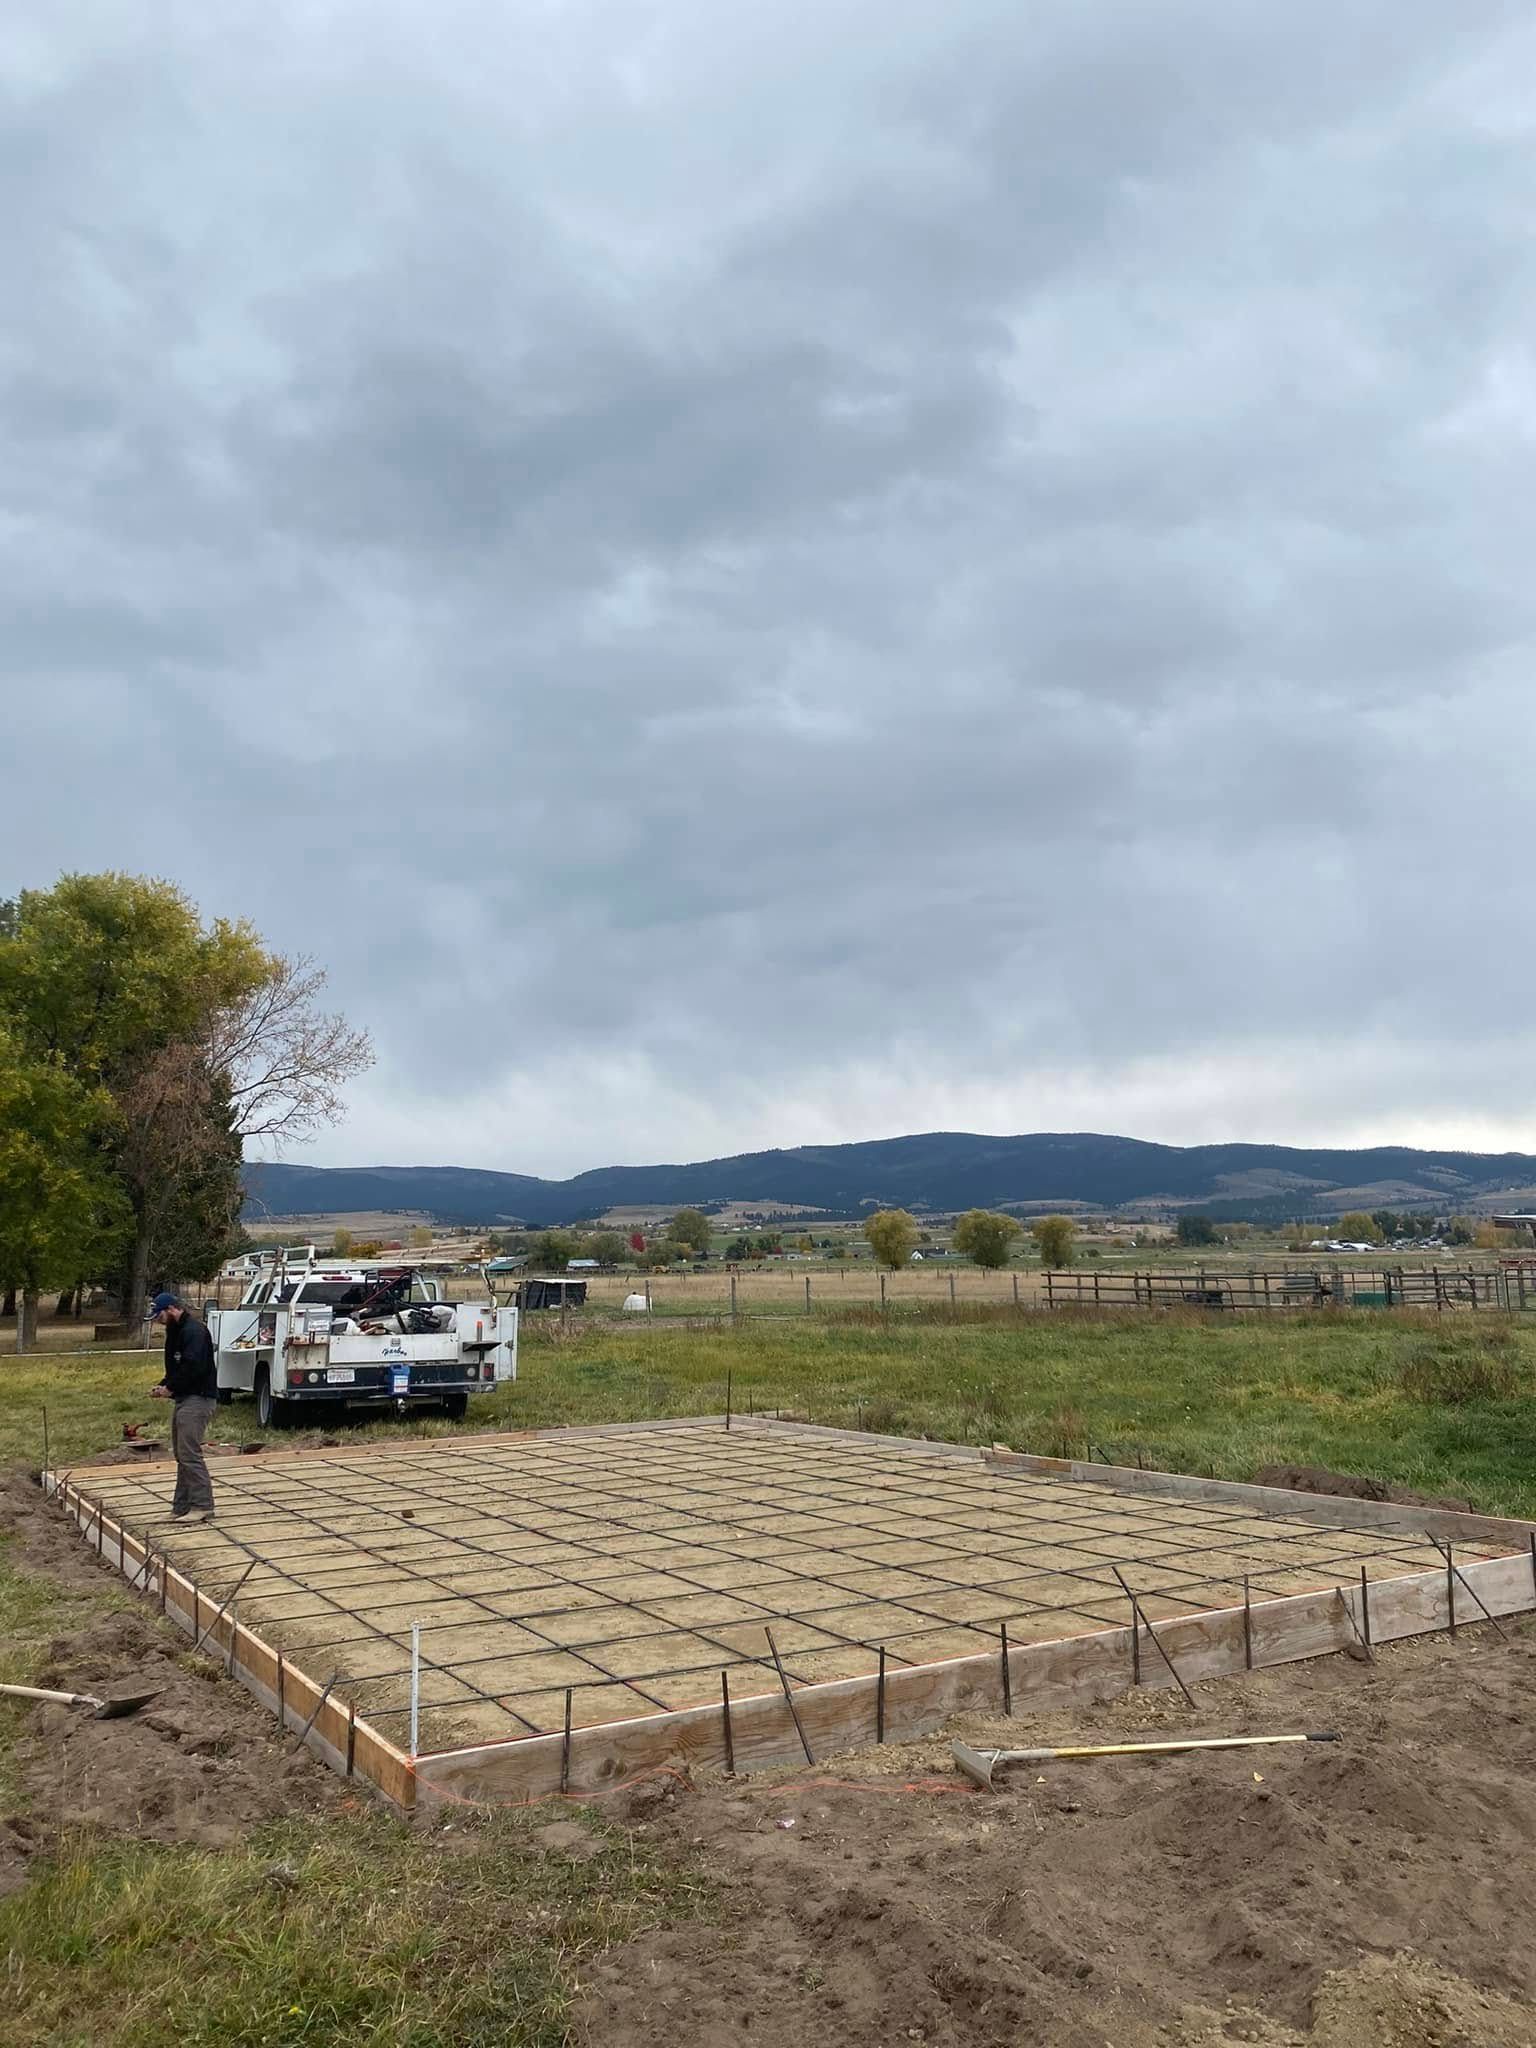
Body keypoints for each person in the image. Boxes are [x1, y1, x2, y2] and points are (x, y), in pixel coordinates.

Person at [148, 1291, 218, 1521]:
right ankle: (181, 1507)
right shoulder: (176, 1331)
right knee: (181, 1454)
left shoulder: (193, 1332)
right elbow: (177, 1370)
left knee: (190, 1453)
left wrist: (171, 1388)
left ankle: (203, 1506)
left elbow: (193, 1368)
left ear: (171, 1310)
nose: (157, 1322)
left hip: (198, 1398)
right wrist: (164, 1385)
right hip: (184, 1396)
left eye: (158, 1316)